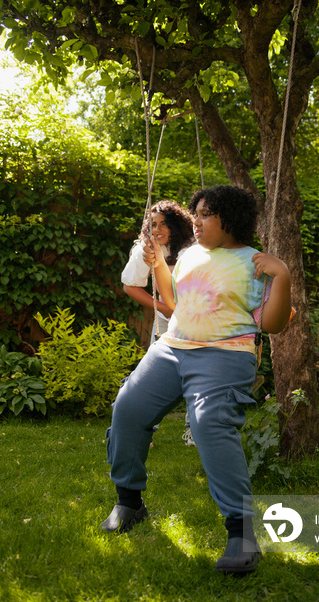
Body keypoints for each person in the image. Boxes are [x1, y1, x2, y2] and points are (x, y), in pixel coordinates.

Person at [101, 185, 292, 575]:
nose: (196, 221)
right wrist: (157, 265)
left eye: (205, 214)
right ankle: (129, 503)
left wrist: (283, 276)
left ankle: (241, 533)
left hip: (226, 353)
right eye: (196, 213)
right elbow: (174, 304)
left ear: (229, 219)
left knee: (209, 425)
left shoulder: (256, 262)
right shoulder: (189, 254)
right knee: (128, 408)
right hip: (173, 347)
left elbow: (273, 325)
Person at [121, 199, 195, 444]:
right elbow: (130, 285)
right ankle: (146, 427)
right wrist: (164, 308)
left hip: (197, 318)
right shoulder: (147, 247)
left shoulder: (192, 247)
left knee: (194, 371)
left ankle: (193, 429)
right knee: (154, 373)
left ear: (176, 225)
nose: (158, 229)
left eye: (164, 223)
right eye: (153, 224)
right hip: (166, 319)